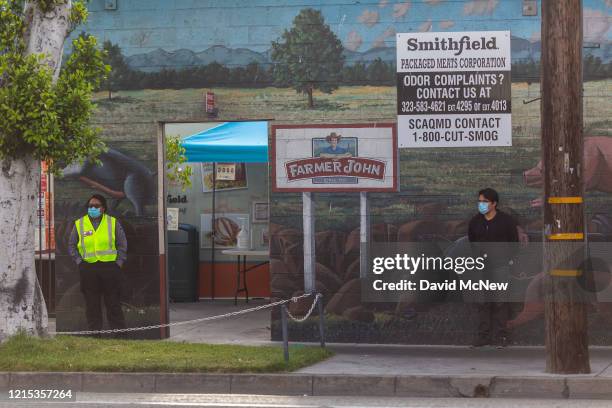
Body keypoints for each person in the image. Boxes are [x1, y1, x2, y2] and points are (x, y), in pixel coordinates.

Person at [68, 194, 127, 335]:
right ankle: (95, 335)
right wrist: (79, 262)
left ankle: (120, 335)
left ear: (103, 208)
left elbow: (122, 244)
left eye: (96, 206)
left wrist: (118, 263)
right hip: (88, 269)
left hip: (110, 268)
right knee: (92, 304)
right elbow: (72, 245)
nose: (92, 208)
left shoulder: (112, 222)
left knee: (113, 303)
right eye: (90, 206)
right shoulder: (80, 223)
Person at [468, 188, 518, 348]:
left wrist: (506, 259)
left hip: (500, 266)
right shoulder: (475, 221)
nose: (481, 204)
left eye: (485, 201)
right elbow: (472, 241)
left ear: (494, 203)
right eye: (479, 201)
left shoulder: (506, 221)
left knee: (500, 301)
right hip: (481, 267)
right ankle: (483, 336)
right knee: (483, 301)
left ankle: (501, 336)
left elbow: (513, 242)